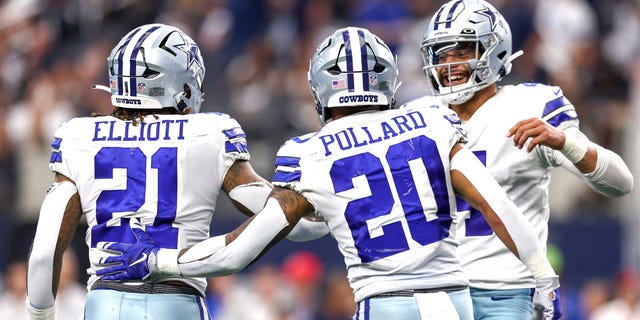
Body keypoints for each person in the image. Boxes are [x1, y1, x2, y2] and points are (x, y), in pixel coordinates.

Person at [97, 26, 562, 320]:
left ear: (319, 89)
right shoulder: (433, 120)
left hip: (386, 305)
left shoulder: (310, 153)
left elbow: (240, 251)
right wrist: (542, 277)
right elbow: (493, 200)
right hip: (456, 301)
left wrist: (160, 261)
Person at [25, 23, 327, 320]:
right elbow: (286, 221)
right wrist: (325, 215)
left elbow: (43, 253)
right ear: (179, 84)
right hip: (177, 300)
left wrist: (41, 315)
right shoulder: (209, 133)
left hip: (106, 303)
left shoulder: (79, 136)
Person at [402, 0, 635, 319]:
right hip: (434, 291)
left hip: (507, 290)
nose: (449, 63)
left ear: (493, 50)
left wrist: (565, 142)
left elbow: (621, 183)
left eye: (461, 51)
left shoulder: (532, 104)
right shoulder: (416, 116)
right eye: (441, 54)